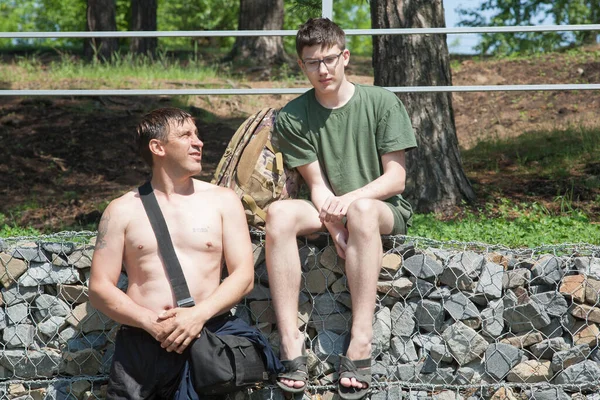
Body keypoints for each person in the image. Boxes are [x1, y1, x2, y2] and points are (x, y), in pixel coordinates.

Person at [265, 18, 417, 399]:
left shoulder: (382, 102)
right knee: (279, 214)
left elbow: (395, 179)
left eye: (329, 59)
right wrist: (335, 228)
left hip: (380, 209)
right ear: (302, 65)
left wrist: (350, 205)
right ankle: (290, 341)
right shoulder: (294, 115)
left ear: (345, 56)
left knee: (364, 210)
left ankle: (360, 340)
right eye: (312, 62)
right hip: (327, 208)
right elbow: (317, 185)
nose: (322, 69)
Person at [89, 107, 256, 399]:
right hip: (142, 350)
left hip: (207, 341)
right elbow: (100, 287)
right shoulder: (121, 210)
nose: (198, 142)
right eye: (186, 135)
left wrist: (197, 316)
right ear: (158, 147)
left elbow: (244, 275)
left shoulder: (223, 202)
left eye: (197, 134)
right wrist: (149, 322)